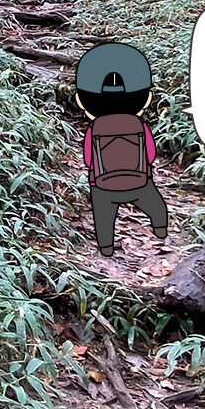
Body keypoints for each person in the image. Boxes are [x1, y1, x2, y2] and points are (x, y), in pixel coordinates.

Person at [75, 42, 169, 257]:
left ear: (82, 101)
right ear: (146, 99)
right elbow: (150, 154)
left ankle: (106, 247)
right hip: (139, 181)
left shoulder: (95, 127)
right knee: (156, 207)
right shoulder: (139, 125)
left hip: (102, 184)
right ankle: (161, 228)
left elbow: (89, 158)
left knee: (103, 217)